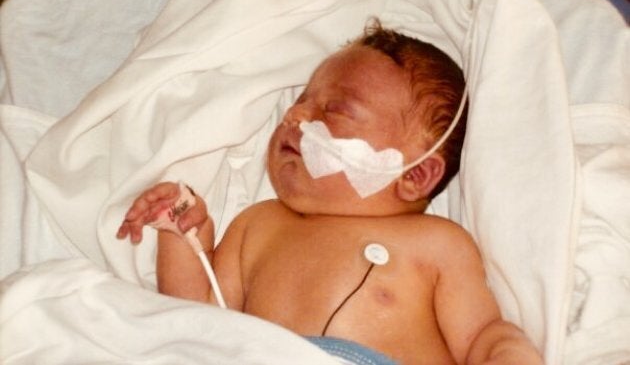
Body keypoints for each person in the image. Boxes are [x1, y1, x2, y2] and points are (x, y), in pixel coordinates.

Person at [117, 21, 543, 365]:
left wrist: (507, 351)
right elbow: (199, 318)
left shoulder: (438, 242)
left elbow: (481, 336)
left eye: (335, 109)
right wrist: (180, 234)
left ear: (414, 175)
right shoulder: (259, 224)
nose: (297, 116)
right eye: (299, 101)